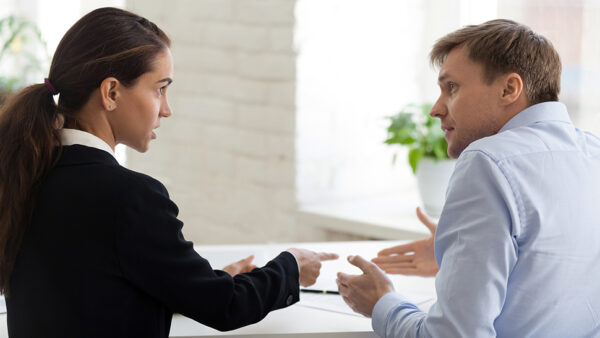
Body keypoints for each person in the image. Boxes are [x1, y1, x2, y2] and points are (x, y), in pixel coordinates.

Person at [0, 7, 338, 338]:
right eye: (159, 88)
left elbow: (91, 295)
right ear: (111, 92)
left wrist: (196, 281)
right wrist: (291, 266)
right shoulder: (130, 196)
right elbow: (226, 306)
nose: (167, 109)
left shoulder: (26, 172)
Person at [336, 19, 600, 337]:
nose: (436, 109)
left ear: (509, 89)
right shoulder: (592, 152)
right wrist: (460, 260)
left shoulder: (487, 162)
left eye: (452, 88)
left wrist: (382, 303)